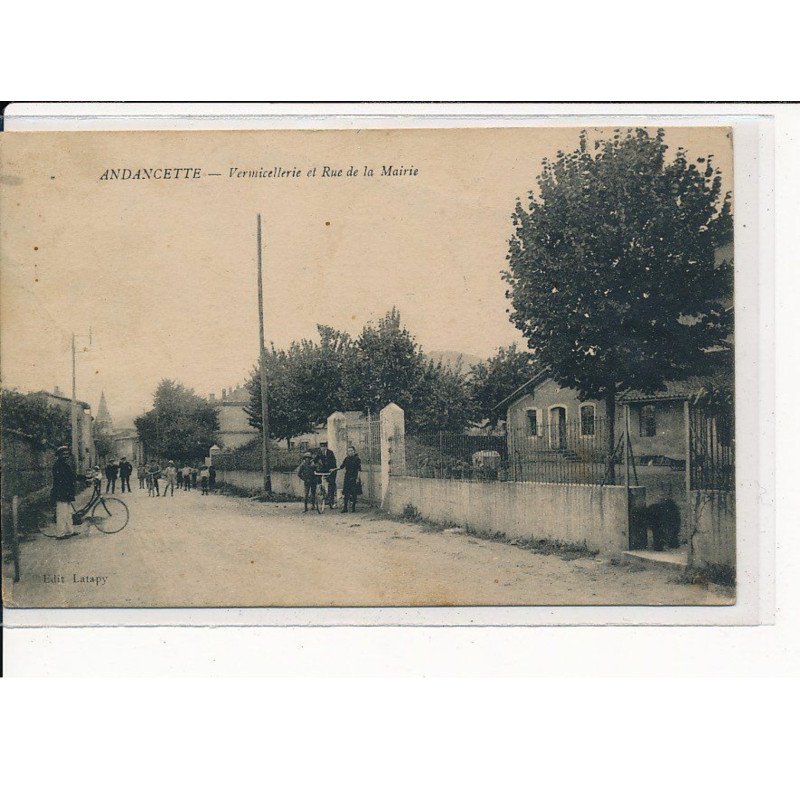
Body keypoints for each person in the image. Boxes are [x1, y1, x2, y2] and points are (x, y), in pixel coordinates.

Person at [51, 446, 77, 539]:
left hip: (66, 492)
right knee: (62, 514)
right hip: (61, 493)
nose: (66, 456)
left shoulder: (65, 465)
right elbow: (63, 480)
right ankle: (60, 534)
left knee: (69, 513)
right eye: (63, 454)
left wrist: (86, 478)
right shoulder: (57, 466)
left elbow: (72, 476)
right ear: (59, 455)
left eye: (67, 454)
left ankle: (70, 531)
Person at [316, 442, 338, 508]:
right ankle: (321, 489)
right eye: (321, 447)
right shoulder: (319, 453)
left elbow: (333, 462)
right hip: (324, 469)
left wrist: (332, 469)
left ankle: (331, 500)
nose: (322, 448)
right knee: (317, 475)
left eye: (323, 447)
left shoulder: (330, 453)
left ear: (326, 447)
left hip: (332, 469)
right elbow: (315, 459)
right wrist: (312, 463)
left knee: (331, 483)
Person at [340, 445, 362, 513]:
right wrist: (334, 469)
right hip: (347, 477)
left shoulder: (357, 459)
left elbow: (359, 469)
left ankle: (353, 508)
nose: (350, 452)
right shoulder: (346, 459)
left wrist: (358, 478)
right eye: (349, 451)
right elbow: (342, 466)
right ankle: (345, 508)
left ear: (354, 451)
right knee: (346, 493)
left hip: (354, 477)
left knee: (354, 493)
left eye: (351, 451)